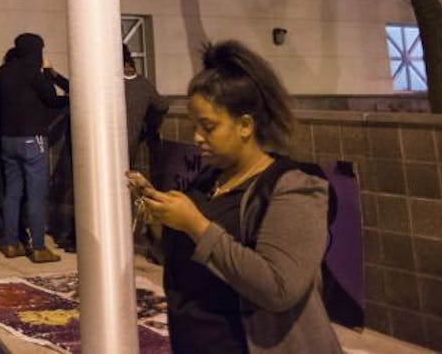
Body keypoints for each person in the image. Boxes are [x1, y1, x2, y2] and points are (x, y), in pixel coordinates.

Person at [128, 40, 341, 354]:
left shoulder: (293, 188)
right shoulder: (207, 181)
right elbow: (185, 261)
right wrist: (158, 218)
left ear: (245, 125)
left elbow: (278, 288)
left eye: (209, 127)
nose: (197, 137)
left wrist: (195, 225)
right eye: (194, 125)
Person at [0, 32, 68, 263]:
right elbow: (52, 98)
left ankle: (11, 244)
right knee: (36, 195)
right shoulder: (33, 72)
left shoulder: (5, 71)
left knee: (12, 193)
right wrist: (50, 73)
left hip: (8, 140)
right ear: (37, 50)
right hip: (33, 140)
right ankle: (38, 247)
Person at [123, 44, 168, 178]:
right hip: (131, 147)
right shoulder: (143, 84)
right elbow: (162, 106)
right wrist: (149, 126)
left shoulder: (110, 83)